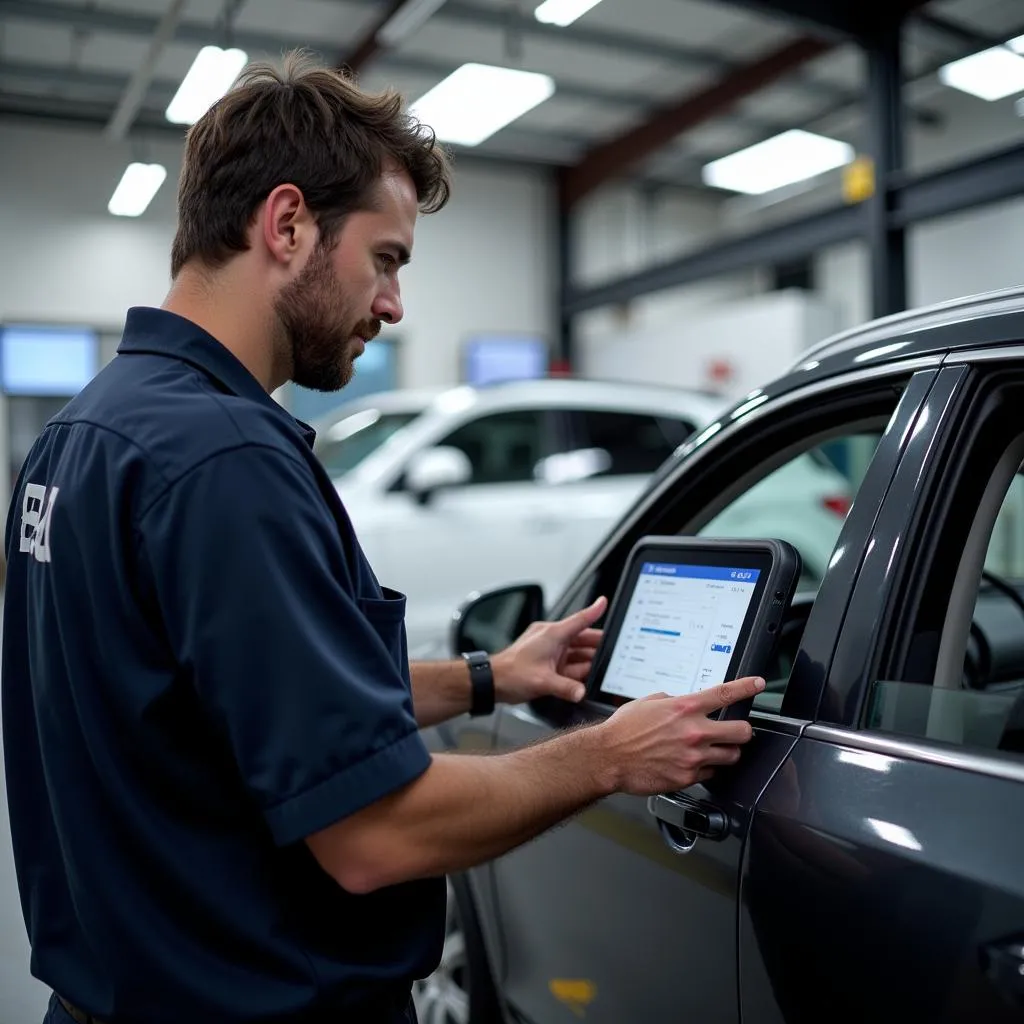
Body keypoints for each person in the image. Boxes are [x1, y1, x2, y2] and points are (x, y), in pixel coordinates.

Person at [2, 50, 765, 1024]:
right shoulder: (225, 461)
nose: (394, 304)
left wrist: (491, 676)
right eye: (387, 258)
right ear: (286, 224)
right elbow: (373, 835)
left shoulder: (85, 431)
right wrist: (610, 755)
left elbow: (239, 702)